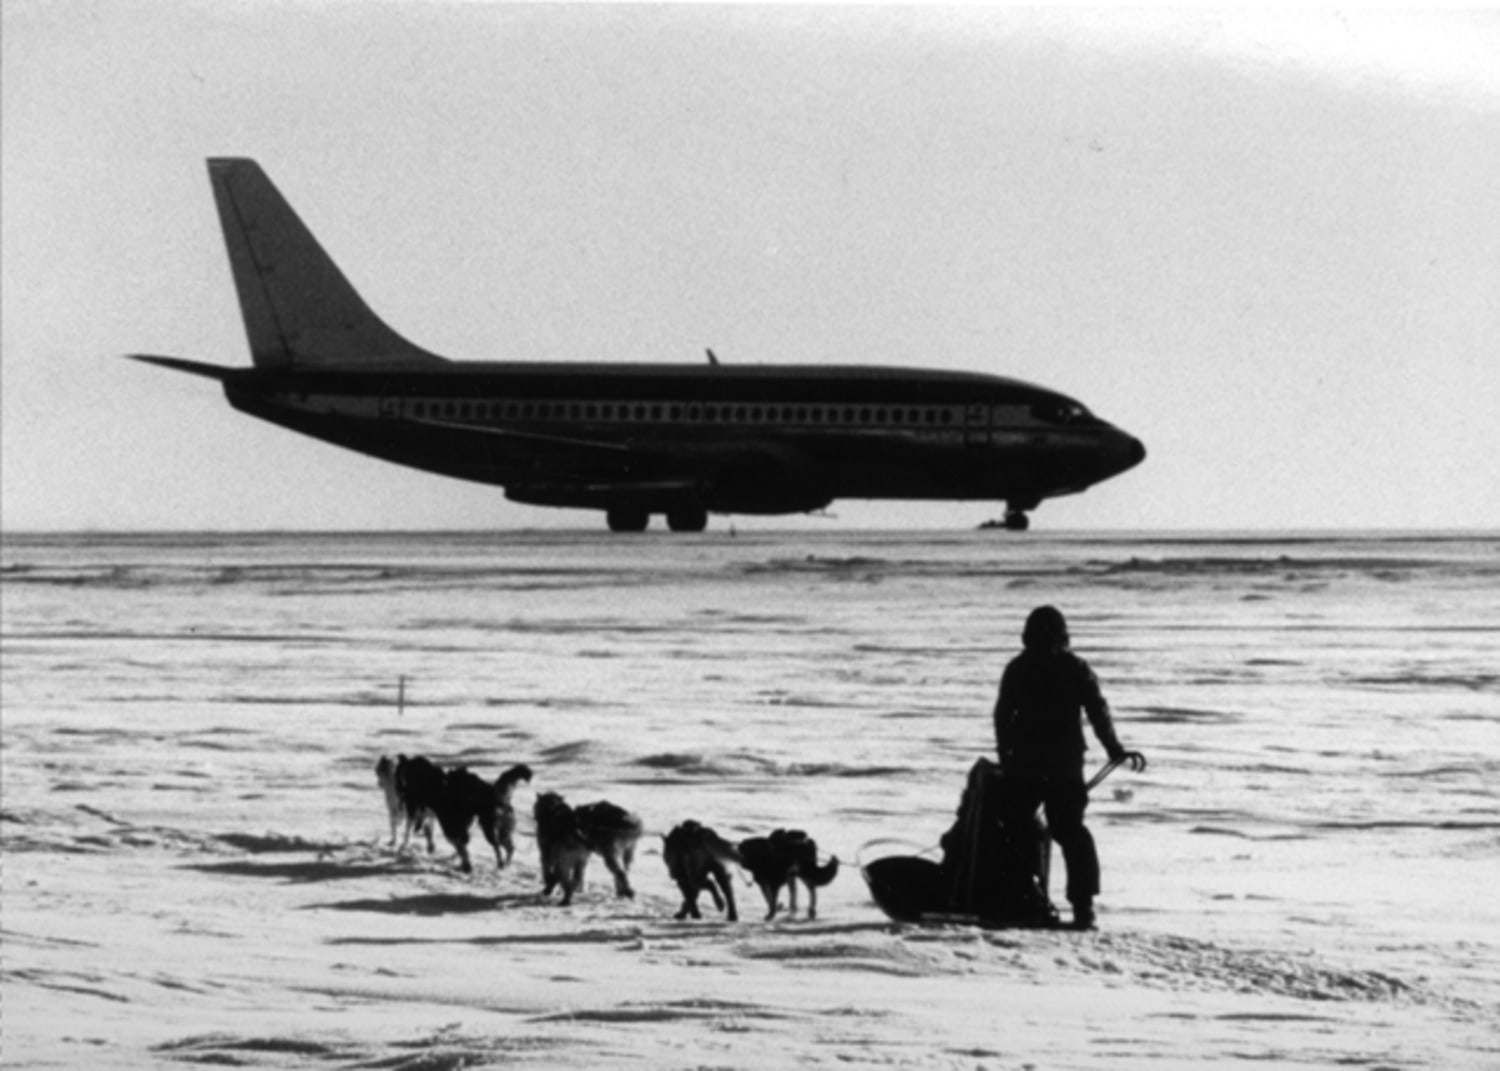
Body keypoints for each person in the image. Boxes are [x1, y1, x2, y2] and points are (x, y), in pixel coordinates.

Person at [993, 605, 1146, 930]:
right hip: (1063, 765)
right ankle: (1082, 907)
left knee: (1017, 830)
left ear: (1026, 637)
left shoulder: (1019, 668)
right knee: (1069, 831)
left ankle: (1025, 899)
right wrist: (1114, 748)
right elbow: (1097, 710)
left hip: (1027, 764)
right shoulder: (1074, 668)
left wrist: (1006, 758)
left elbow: (1002, 717)